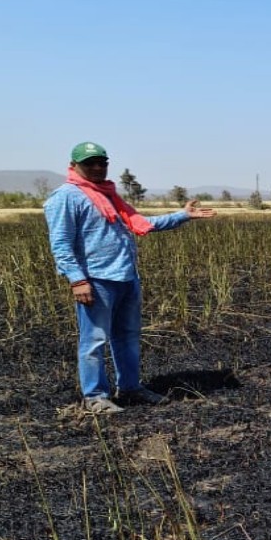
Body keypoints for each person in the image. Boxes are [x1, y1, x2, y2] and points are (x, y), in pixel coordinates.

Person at [43, 141, 213, 414]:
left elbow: (142, 223)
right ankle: (95, 397)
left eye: (102, 162)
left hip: (126, 277)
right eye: (90, 163)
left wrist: (183, 215)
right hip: (96, 280)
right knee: (94, 340)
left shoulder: (109, 195)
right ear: (74, 166)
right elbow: (61, 243)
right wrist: (77, 280)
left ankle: (131, 388)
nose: (98, 167)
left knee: (128, 336)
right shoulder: (66, 197)